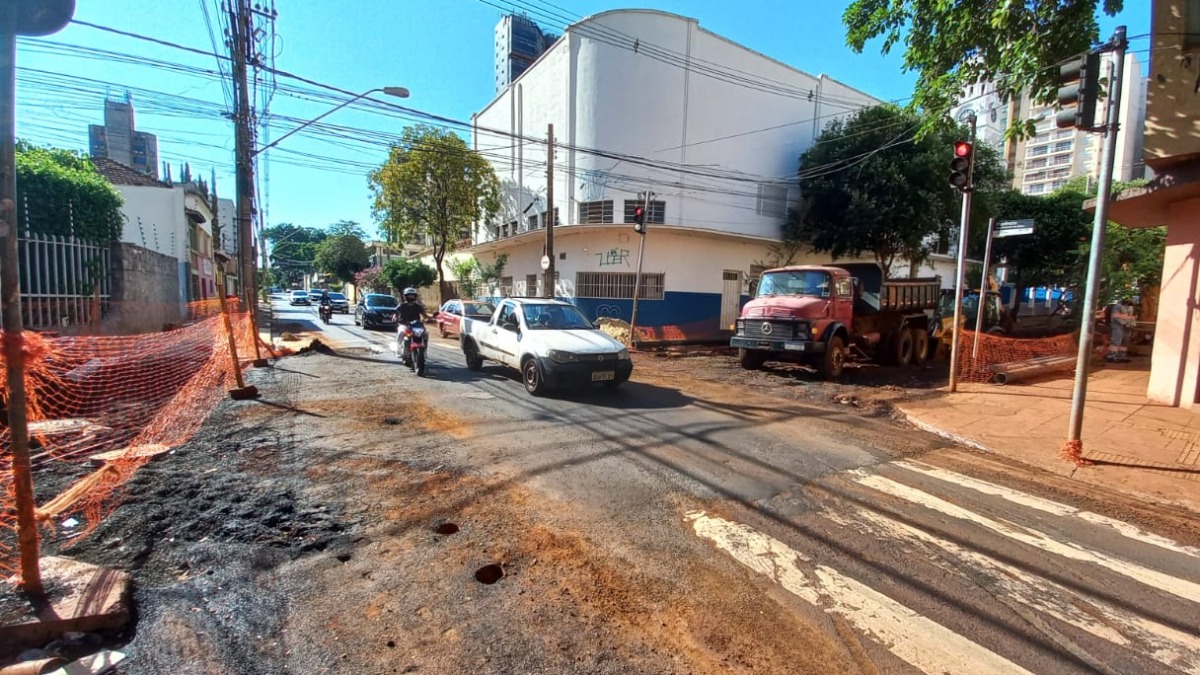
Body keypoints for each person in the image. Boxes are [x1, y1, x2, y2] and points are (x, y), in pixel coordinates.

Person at [1107, 296, 1136, 363]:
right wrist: (1124, 324)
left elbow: (1131, 317)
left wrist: (1132, 325)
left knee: (1125, 341)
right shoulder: (1117, 307)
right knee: (1116, 341)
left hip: (1127, 326)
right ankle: (1111, 356)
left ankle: (1121, 356)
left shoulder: (1130, 307)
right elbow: (1116, 317)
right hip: (1117, 326)